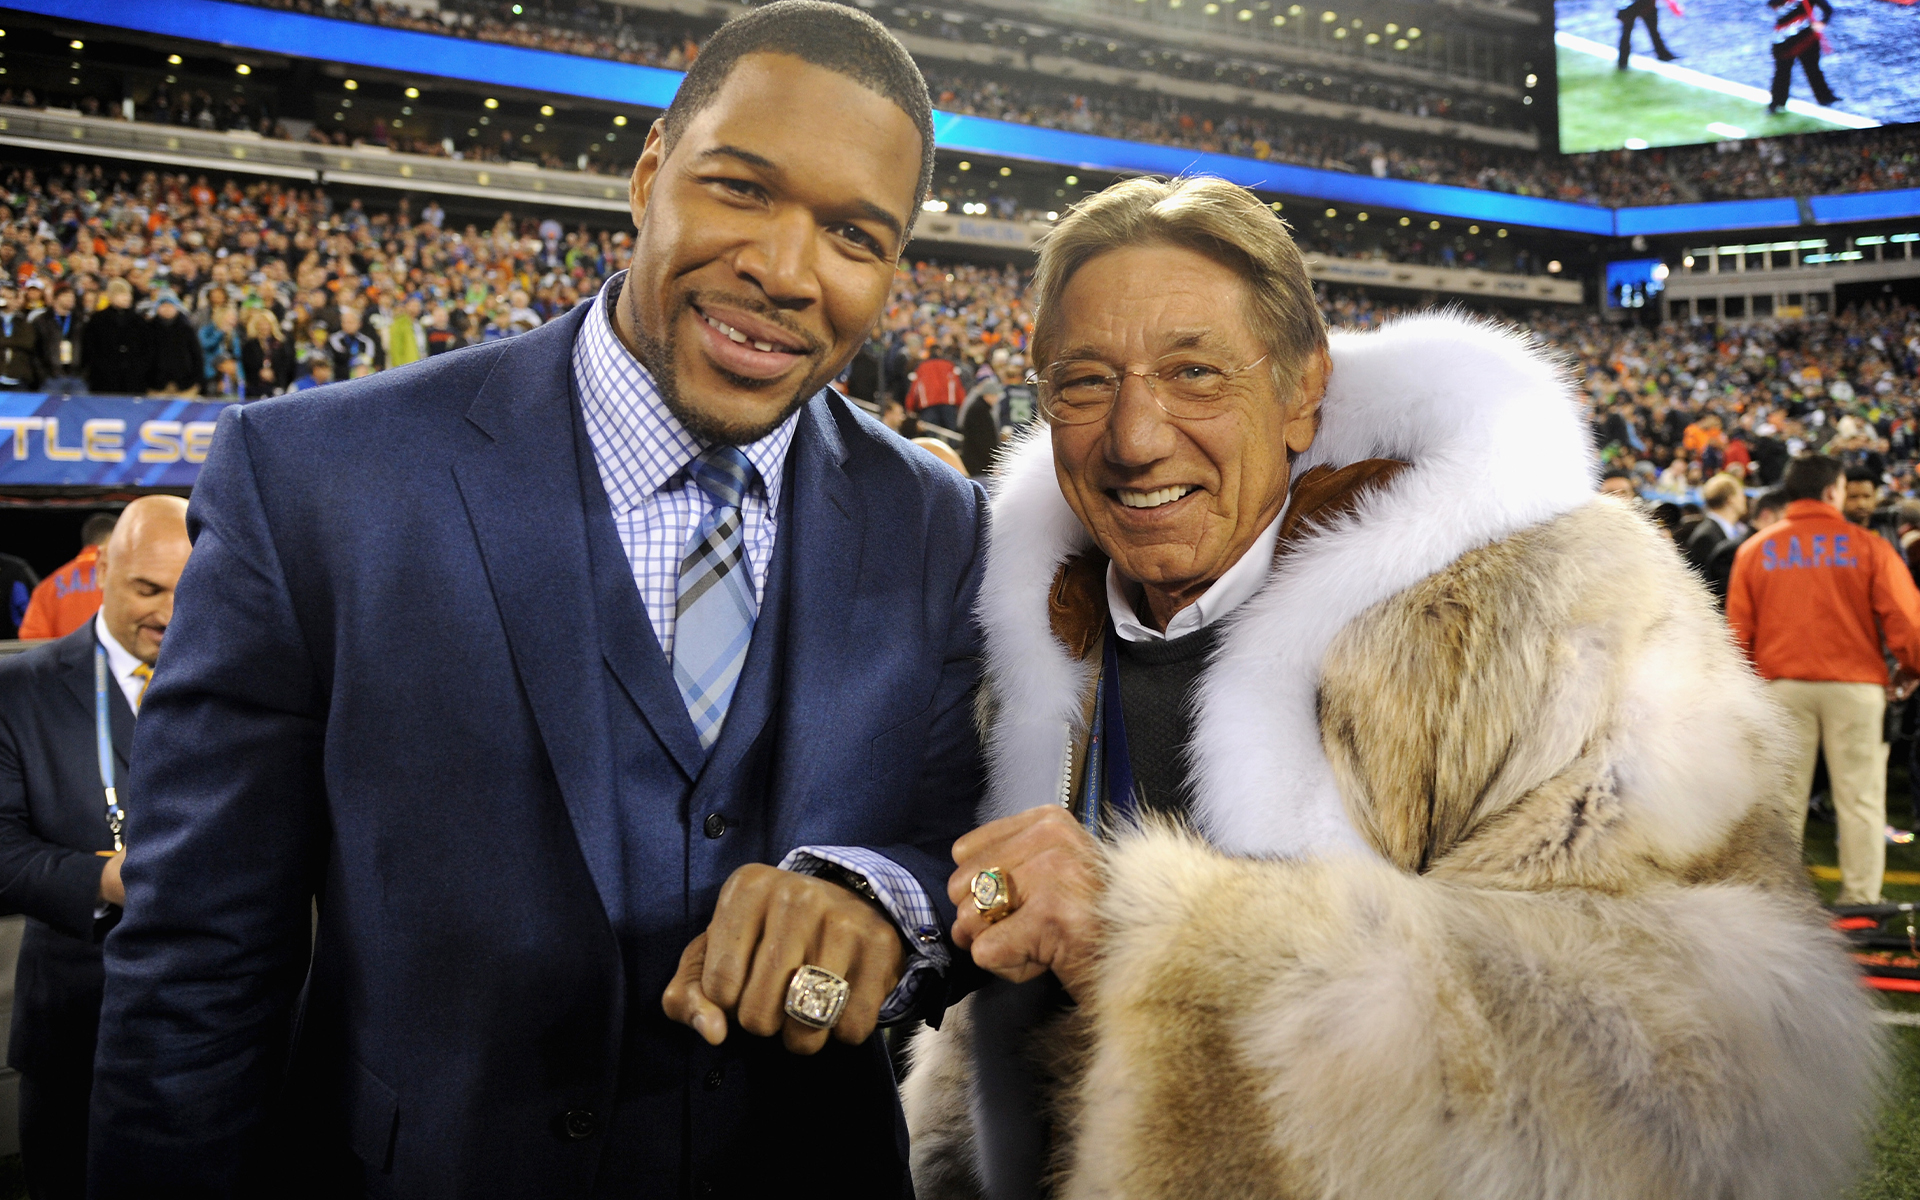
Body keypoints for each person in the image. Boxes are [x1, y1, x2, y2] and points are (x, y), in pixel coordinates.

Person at [90, 6, 987, 1196]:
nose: (783, 269)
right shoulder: (314, 478)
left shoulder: (938, 519)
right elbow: (198, 965)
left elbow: (949, 853)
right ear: (649, 175)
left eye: (853, 236)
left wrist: (878, 908)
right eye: (739, 189)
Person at [904, 177, 1879, 1199]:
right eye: (1084, 382)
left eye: (1196, 373)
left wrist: (1171, 944)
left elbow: (1727, 1059)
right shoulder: (1032, 646)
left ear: (1301, 395)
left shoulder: (1554, 609)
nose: (1137, 436)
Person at [0, 496, 190, 1200]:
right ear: (103, 567)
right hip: (81, 1025)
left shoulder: (244, 686)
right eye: (147, 589)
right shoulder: (17, 689)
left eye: (186, 590)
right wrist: (104, 881)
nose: (170, 613)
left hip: (231, 1033)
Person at [1727, 454, 1920, 905]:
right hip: (1856, 687)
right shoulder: (1869, 546)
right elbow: (1909, 626)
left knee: (1782, 803)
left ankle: (1779, 901)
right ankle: (1860, 902)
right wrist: (1910, 669)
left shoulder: (1755, 549)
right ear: (1833, 490)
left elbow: (1735, 637)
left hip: (1780, 689)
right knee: (1861, 801)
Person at [17, 514, 117, 641]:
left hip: (65, 659)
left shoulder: (47, 588)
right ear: (115, 538)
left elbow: (32, 640)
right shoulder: (128, 580)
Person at [1683, 471, 1747, 600]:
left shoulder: (1730, 531)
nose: (1744, 499)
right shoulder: (1706, 537)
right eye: (1741, 494)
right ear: (1731, 500)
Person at [1767, 0, 1837, 112]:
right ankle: (1777, 102)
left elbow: (1827, 8)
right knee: (1782, 72)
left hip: (1806, 38)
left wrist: (1822, 22)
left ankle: (1824, 97)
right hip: (1785, 40)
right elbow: (1773, 4)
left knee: (1813, 69)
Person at [82, 280, 149, 396]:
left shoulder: (139, 321)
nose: (127, 298)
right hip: (104, 380)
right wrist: (101, 367)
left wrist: (138, 368)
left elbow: (147, 348)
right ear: (112, 296)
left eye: (128, 294)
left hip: (133, 380)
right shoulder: (98, 319)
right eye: (122, 294)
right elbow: (90, 348)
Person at [145, 292, 203, 396]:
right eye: (163, 306)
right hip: (155, 386)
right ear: (158, 308)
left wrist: (196, 380)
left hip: (185, 386)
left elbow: (196, 356)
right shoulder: (149, 329)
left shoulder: (186, 329)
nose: (167, 309)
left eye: (170, 306)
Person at [32, 287, 87, 394]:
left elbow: (88, 349)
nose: (70, 300)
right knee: (49, 409)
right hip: (51, 376)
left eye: (72, 297)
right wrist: (43, 374)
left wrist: (83, 374)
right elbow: (36, 350)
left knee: (79, 409)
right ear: (56, 298)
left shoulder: (80, 321)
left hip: (76, 376)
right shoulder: (42, 321)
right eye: (66, 296)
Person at [239, 308, 292, 398]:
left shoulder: (281, 344)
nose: (264, 327)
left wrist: (274, 374)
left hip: (278, 387)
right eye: (260, 324)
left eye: (266, 324)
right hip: (255, 389)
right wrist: (259, 373)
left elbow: (287, 365)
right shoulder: (249, 345)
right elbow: (246, 366)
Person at [1616, 0, 1677, 68]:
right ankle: (1622, 61)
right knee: (1626, 34)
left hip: (1644, 5)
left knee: (1652, 31)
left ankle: (1663, 54)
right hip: (1634, 7)